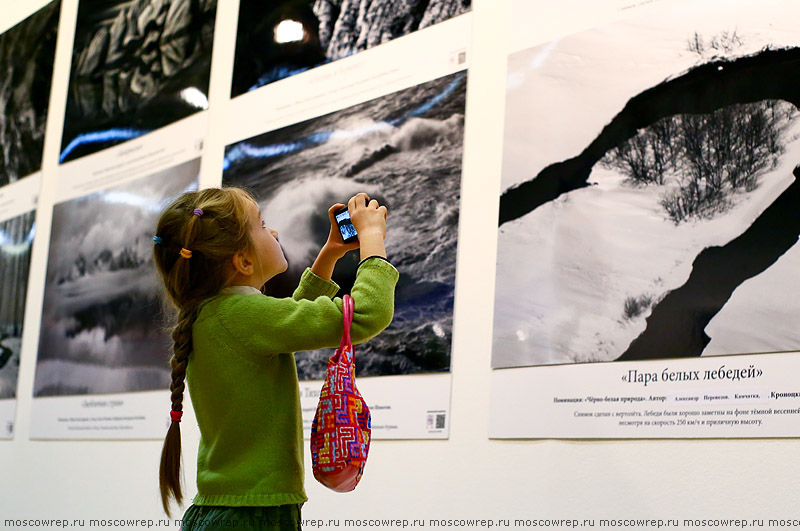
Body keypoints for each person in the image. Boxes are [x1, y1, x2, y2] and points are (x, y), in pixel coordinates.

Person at [152, 187, 398, 530]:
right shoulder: (244, 315)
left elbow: (288, 320)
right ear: (243, 261)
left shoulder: (214, 313)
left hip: (224, 510)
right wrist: (372, 239)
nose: (275, 232)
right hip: (256, 516)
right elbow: (366, 315)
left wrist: (329, 254)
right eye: (262, 224)